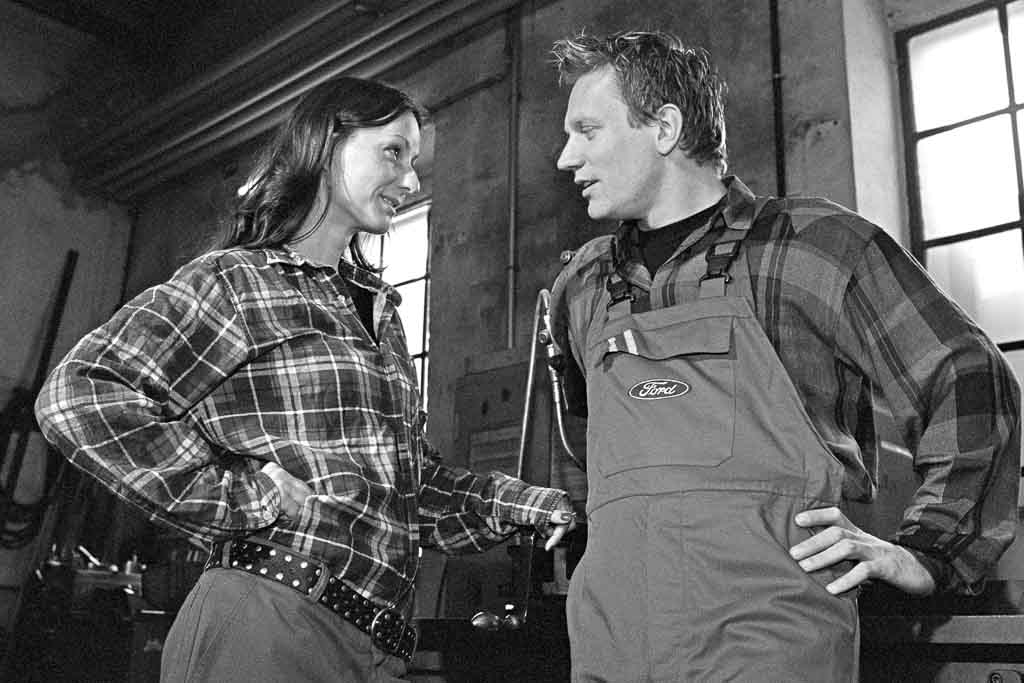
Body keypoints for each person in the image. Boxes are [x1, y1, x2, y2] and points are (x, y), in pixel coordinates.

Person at [34, 76, 576, 682]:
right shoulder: (239, 283)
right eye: (393, 152)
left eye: (413, 161)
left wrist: (527, 504)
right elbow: (77, 395)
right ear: (326, 144)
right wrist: (241, 496)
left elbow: (405, 493)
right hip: (268, 622)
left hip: (376, 646)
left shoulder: (378, 312)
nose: (410, 180)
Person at [548, 30, 1020, 682]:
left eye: (587, 130)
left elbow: (968, 376)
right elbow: (588, 445)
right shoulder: (582, 285)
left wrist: (932, 547)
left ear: (664, 127)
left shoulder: (813, 248)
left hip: (768, 651)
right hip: (610, 649)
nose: (566, 157)